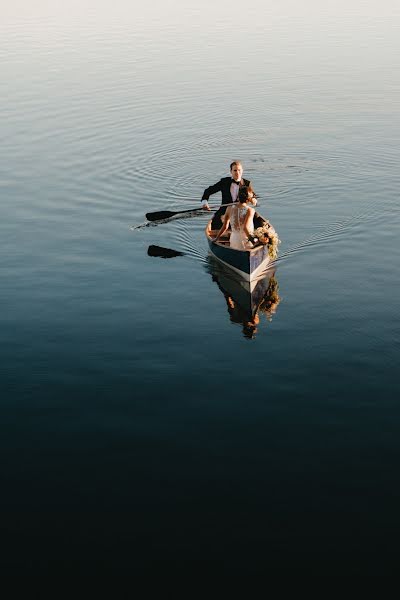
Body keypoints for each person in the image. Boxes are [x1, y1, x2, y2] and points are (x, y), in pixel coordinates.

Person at [202, 161, 257, 229]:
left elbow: (253, 195)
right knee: (215, 223)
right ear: (231, 171)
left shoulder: (247, 183)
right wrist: (205, 202)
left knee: (257, 219)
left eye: (239, 170)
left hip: (242, 210)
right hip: (225, 210)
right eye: (235, 170)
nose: (237, 172)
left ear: (242, 171)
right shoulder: (224, 182)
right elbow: (208, 191)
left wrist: (253, 199)